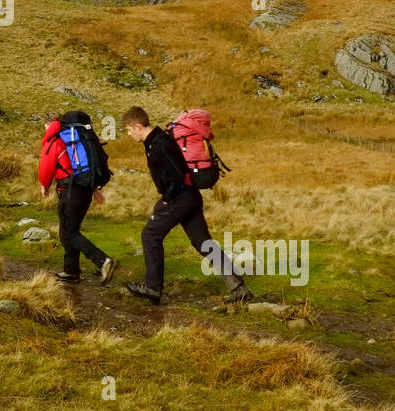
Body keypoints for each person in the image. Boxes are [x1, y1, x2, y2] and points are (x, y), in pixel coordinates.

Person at [120, 105, 252, 306]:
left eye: (129, 130)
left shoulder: (159, 144)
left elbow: (176, 175)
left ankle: (153, 288)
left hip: (180, 198)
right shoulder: (156, 141)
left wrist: (167, 198)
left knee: (150, 235)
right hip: (190, 197)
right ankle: (238, 288)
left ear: (137, 126)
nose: (128, 135)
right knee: (203, 242)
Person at [39, 114, 116, 284]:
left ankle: (102, 261)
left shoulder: (56, 140)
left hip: (69, 191)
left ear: (50, 124)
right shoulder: (77, 138)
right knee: (69, 229)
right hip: (85, 189)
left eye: (45, 126)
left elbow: (46, 167)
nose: (44, 130)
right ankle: (71, 271)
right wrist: (94, 189)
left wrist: (44, 185)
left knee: (69, 232)